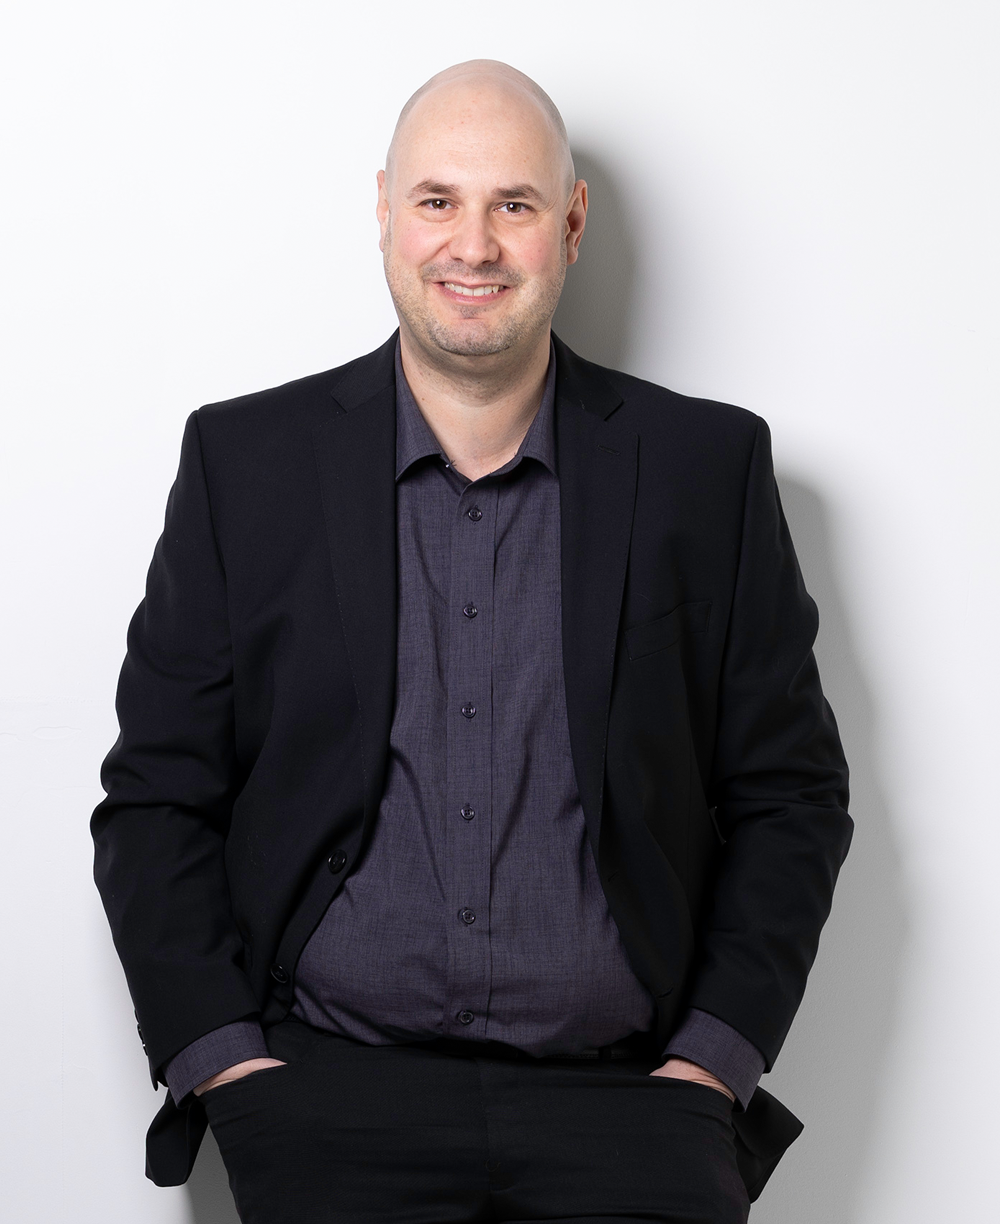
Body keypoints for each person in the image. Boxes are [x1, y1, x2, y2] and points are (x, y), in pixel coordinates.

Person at [91, 58, 852, 1224]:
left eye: (515, 204)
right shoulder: (246, 466)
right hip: (323, 1106)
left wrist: (713, 1061)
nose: (474, 245)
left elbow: (789, 794)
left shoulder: (704, 469)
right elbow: (156, 795)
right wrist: (224, 1064)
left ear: (572, 224)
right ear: (384, 210)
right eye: (439, 200)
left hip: (630, 1113)